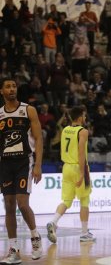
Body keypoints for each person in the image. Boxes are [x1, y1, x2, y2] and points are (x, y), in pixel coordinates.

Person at [0, 78, 43, 263]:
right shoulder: (0, 114)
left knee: (22, 203)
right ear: (1, 91)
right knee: (8, 205)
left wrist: (39, 165)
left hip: (24, 161)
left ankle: (35, 238)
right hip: (5, 163)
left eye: (14, 86)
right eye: (8, 86)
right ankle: (14, 250)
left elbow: (39, 138)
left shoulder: (28, 110)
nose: (12, 89)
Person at [46, 106, 96, 244]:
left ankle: (53, 222)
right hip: (78, 167)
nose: (85, 118)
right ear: (80, 117)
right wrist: (81, 173)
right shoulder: (83, 131)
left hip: (66, 166)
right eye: (84, 116)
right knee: (84, 201)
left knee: (67, 201)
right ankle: (85, 233)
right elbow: (81, 153)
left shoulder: (65, 130)